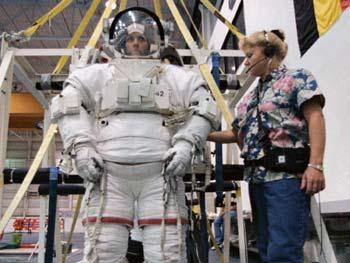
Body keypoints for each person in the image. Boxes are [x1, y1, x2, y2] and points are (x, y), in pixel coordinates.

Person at [51, 7, 218, 263]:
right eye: (131, 39)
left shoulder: (175, 77)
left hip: (161, 176)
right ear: (119, 42)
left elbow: (206, 107)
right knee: (102, 253)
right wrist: (83, 146)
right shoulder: (98, 74)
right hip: (108, 177)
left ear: (153, 40)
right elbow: (67, 104)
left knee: (167, 255)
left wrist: (186, 144)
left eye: (141, 38)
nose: (137, 43)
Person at [208, 29, 326, 262]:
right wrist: (204, 134)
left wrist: (316, 165)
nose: (246, 61)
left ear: (269, 52)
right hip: (257, 180)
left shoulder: (296, 78)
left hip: (285, 179)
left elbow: (315, 116)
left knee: (283, 250)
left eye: (251, 55)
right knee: (265, 248)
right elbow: (235, 133)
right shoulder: (250, 98)